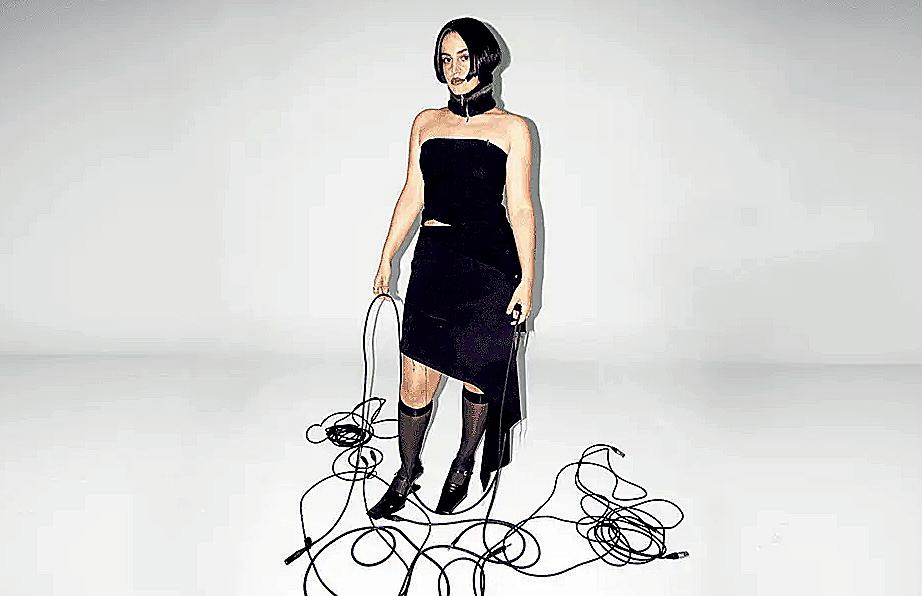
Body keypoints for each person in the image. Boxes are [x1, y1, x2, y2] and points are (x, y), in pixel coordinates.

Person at [368, 17, 535, 519]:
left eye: (464, 57)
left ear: (485, 59)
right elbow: (412, 192)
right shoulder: (425, 122)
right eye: (446, 58)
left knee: (477, 373)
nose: (455, 68)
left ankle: (463, 463)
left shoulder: (513, 129)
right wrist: (387, 255)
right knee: (414, 377)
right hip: (436, 259)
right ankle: (407, 470)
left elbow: (521, 207)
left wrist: (527, 281)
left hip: (490, 265)